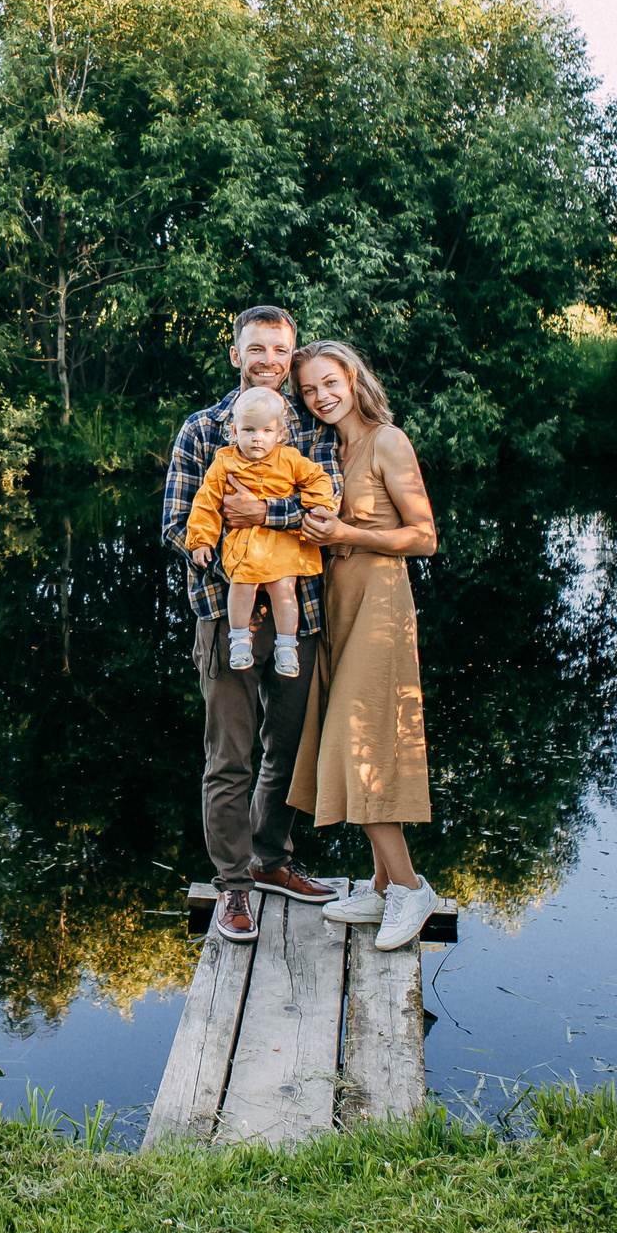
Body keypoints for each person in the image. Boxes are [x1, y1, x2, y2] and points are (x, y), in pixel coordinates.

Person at [162, 306, 344, 945]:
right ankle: (233, 886)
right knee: (230, 755)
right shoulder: (203, 430)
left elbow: (328, 507)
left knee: (286, 748)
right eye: (257, 349)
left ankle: (272, 858)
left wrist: (263, 512)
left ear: (291, 360)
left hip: (302, 615)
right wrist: (233, 554)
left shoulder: (307, 429)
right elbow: (178, 524)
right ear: (236, 354)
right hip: (226, 614)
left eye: (281, 352)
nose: (270, 360)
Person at [288, 340, 442, 952]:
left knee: (360, 740)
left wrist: (347, 531)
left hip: (380, 607)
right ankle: (380, 888)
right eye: (308, 391)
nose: (321, 397)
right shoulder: (328, 449)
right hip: (337, 607)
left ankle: (410, 888)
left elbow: (425, 537)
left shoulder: (387, 439)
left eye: (330, 383)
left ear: (353, 377)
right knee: (361, 737)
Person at [181, 387, 339, 676]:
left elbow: (319, 479)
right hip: (245, 542)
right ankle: (240, 639)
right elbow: (206, 501)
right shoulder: (225, 463)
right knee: (242, 583)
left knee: (284, 589)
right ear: (234, 430)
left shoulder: (290, 459)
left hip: (282, 543)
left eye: (267, 430)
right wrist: (200, 541)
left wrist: (318, 505)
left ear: (279, 433)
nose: (257, 438)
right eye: (249, 430)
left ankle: (287, 646)